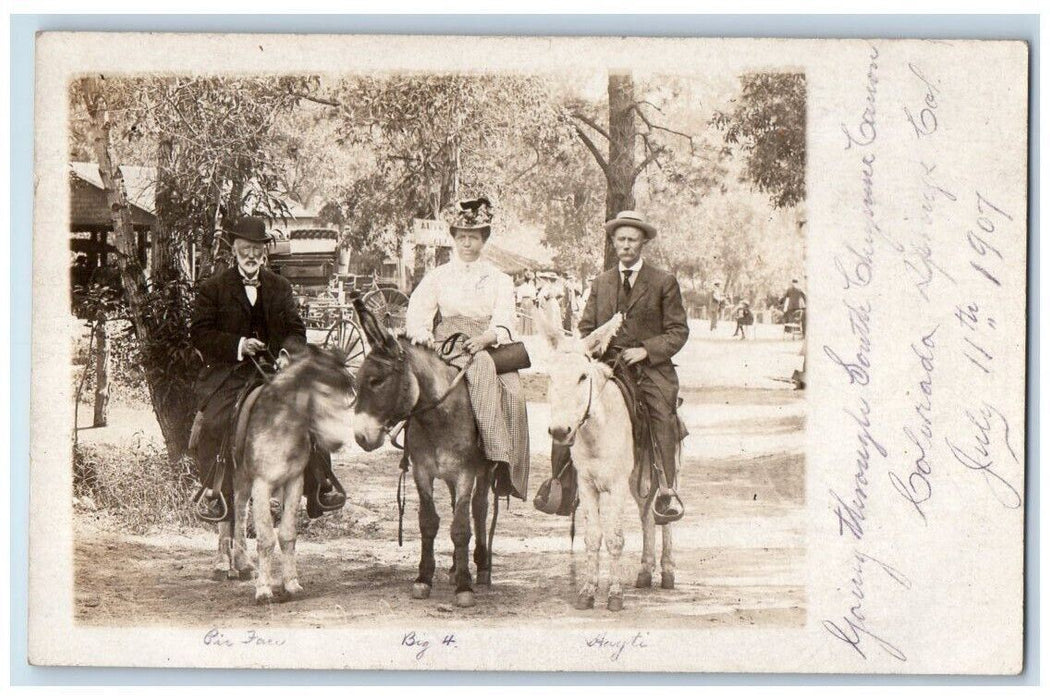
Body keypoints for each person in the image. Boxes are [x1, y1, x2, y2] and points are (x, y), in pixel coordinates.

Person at [189, 216, 345, 522]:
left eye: (256, 250)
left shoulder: (280, 287)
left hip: (275, 369)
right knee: (214, 423)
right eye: (244, 248)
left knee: (311, 414)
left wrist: (287, 353)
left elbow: (296, 329)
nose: (250, 255)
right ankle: (213, 491)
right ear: (234, 250)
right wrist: (238, 344)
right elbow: (200, 334)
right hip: (229, 373)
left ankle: (321, 486)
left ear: (264, 253)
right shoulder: (213, 288)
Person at [544, 210, 689, 522]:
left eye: (633, 240)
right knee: (569, 407)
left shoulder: (664, 282)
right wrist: (587, 351)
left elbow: (678, 331)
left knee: (661, 414)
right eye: (621, 239)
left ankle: (665, 490)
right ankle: (562, 484)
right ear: (613, 243)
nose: (626, 245)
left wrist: (646, 350)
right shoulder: (601, 283)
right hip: (606, 365)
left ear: (643, 243)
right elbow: (586, 327)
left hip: (649, 369)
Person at [404, 197, 530, 500]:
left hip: (484, 343)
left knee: (512, 390)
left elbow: (505, 319)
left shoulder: (499, 279)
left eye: (473, 237)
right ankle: (410, 442)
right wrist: (424, 337)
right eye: (462, 237)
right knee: (408, 377)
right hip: (444, 342)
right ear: (454, 239)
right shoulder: (438, 276)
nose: (467, 244)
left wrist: (486, 338)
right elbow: (417, 314)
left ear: (483, 240)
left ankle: (500, 458)